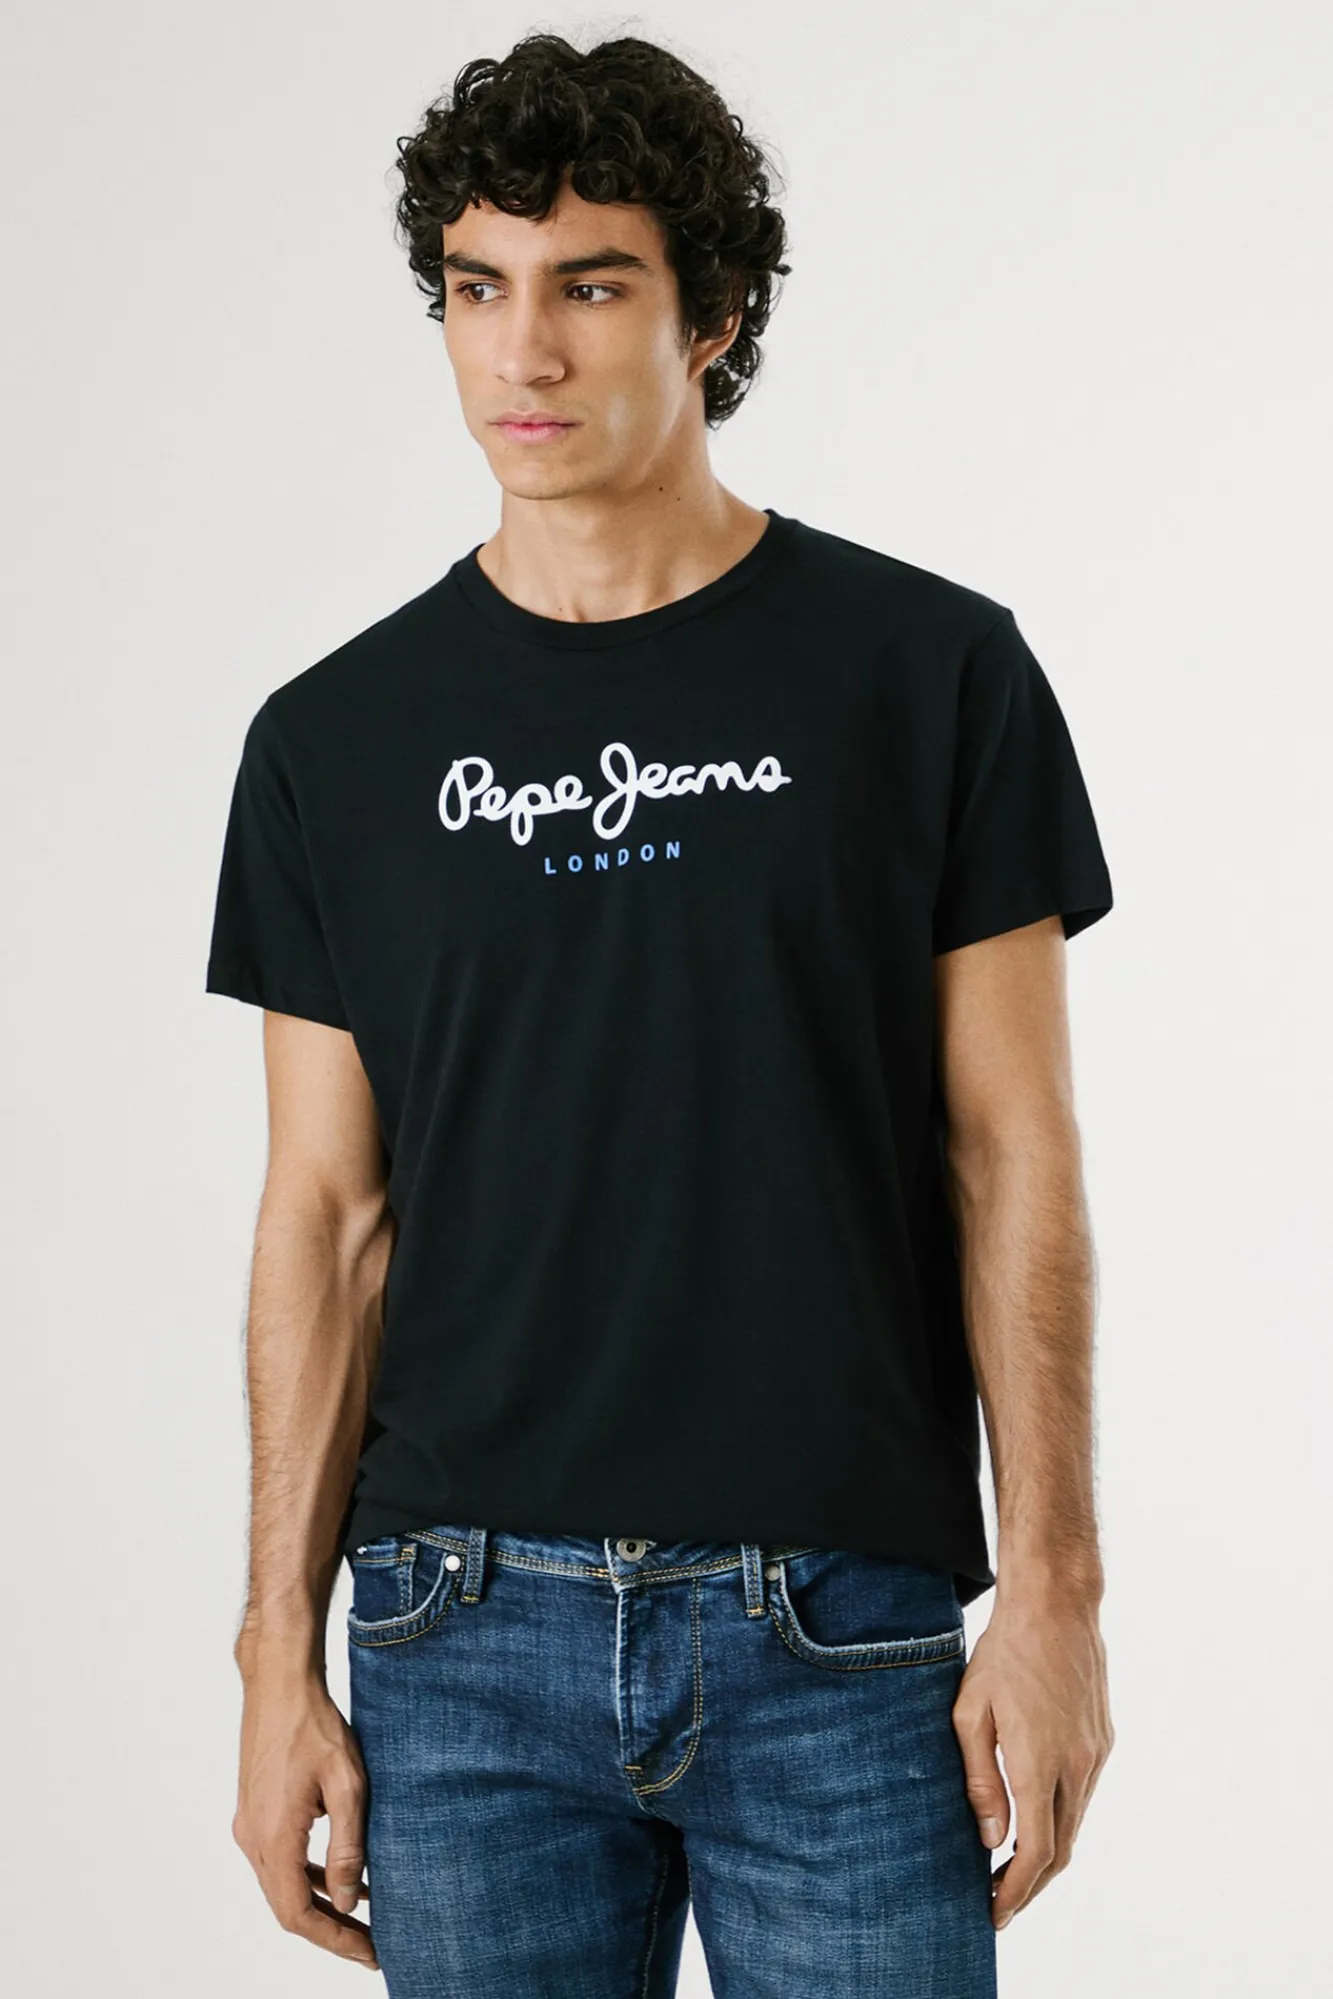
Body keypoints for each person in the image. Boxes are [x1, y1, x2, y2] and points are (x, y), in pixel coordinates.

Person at [206, 31, 1115, 1999]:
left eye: (593, 285)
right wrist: (275, 1650)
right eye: (479, 287)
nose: (523, 350)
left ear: (714, 316)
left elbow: (1012, 1154)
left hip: (842, 1637)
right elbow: (325, 1218)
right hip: (459, 1644)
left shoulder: (928, 675)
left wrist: (1055, 1588)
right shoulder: (332, 744)